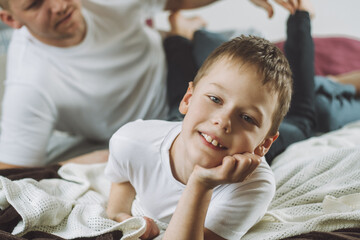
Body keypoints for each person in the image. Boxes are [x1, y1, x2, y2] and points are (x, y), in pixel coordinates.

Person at [104, 0, 321, 238]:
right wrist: (128, 220)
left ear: (264, 144)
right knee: (181, 99)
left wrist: (201, 182)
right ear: (191, 100)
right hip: (186, 123)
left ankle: (301, 16)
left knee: (302, 120)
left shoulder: (253, 186)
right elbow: (119, 199)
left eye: (247, 117)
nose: (224, 121)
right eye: (216, 100)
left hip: (230, 143)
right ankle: (180, 33)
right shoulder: (132, 141)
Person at [0, 0, 295, 169]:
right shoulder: (29, 85)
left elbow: (173, 1)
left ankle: (182, 33)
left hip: (177, 59)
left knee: (271, 75)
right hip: (166, 118)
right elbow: (12, 172)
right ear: (10, 19)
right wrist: (76, 163)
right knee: (298, 122)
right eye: (35, 3)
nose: (59, 4)